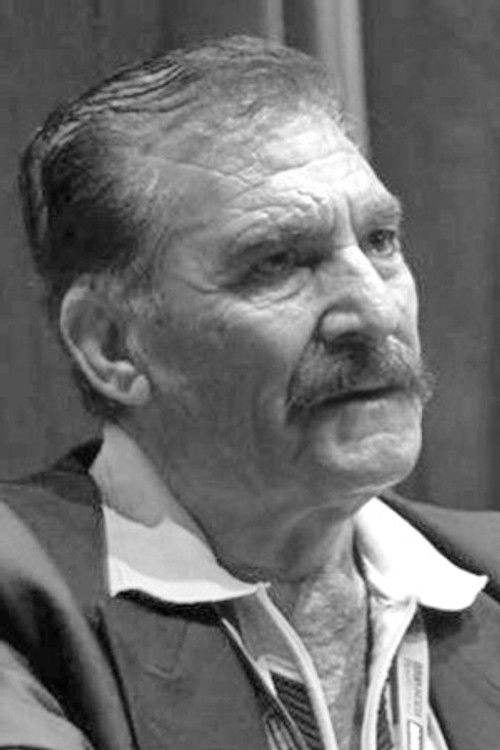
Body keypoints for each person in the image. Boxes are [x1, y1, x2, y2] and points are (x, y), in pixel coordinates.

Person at [1, 35, 499, 750]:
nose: (374, 311)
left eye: (380, 240)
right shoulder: (21, 599)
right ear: (112, 345)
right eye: (277, 262)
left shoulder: (486, 580)